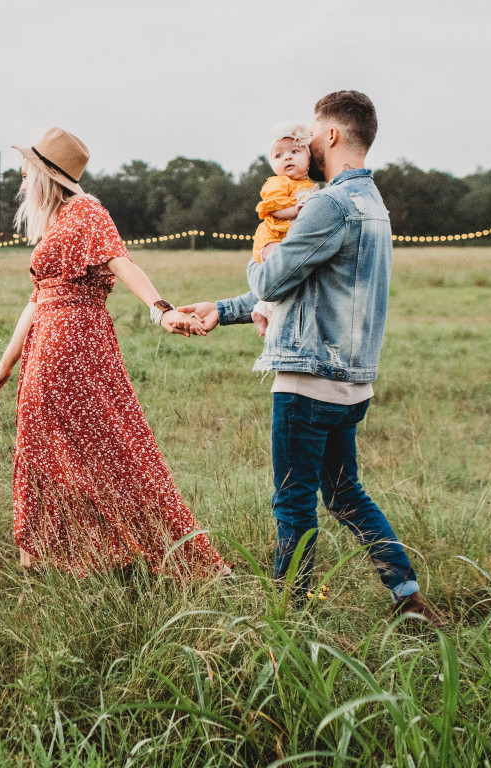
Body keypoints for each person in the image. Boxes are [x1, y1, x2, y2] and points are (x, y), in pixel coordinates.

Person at [179, 91, 445, 625]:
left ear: (332, 136)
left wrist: (261, 257)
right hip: (351, 383)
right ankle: (407, 596)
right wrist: (224, 309)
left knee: (292, 502)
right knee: (345, 493)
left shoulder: (328, 204)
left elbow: (275, 277)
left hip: (308, 380)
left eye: (312, 134)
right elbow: (308, 285)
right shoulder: (373, 204)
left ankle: (286, 614)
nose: (304, 145)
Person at [0, 126, 228, 578]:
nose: (20, 177)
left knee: (108, 445)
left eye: (26, 169)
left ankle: (130, 550)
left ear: (45, 175)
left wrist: (160, 310)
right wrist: (3, 366)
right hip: (47, 343)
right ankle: (49, 554)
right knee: (45, 444)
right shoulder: (56, 222)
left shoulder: (86, 211)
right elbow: (36, 301)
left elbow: (122, 262)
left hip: (73, 344)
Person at [250, 123, 318, 338]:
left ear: (309, 158)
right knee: (280, 265)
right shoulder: (278, 182)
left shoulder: (311, 185)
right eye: (279, 156)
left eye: (294, 152)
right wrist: (293, 210)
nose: (287, 158)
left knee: (289, 271)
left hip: (288, 237)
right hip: (272, 237)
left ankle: (260, 309)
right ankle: (267, 309)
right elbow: (272, 207)